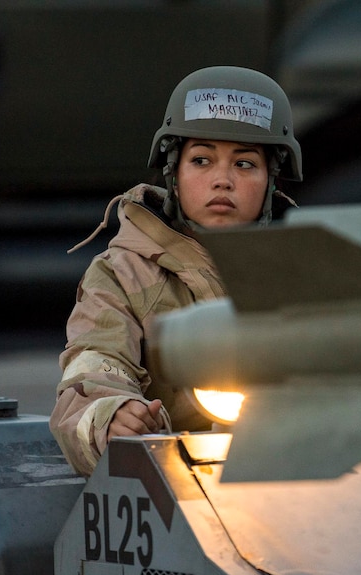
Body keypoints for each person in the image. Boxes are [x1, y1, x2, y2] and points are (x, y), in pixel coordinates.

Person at [49, 66, 303, 476]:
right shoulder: (122, 276)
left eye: (245, 164)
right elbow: (93, 368)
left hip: (301, 479)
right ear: (174, 173)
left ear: (271, 180)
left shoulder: (309, 270)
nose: (222, 180)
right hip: (177, 488)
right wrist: (114, 416)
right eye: (201, 160)